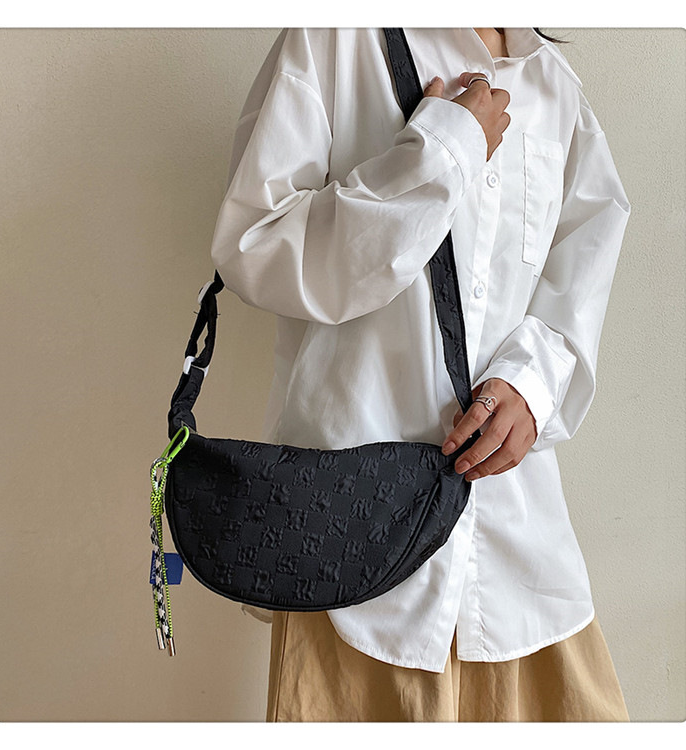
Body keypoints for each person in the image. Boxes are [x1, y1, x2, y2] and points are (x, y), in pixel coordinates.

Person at [209, 27, 631, 722]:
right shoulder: (335, 38)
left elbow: (581, 266)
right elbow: (255, 246)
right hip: (354, 554)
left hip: (517, 554)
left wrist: (533, 384)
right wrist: (442, 154)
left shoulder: (552, 84)